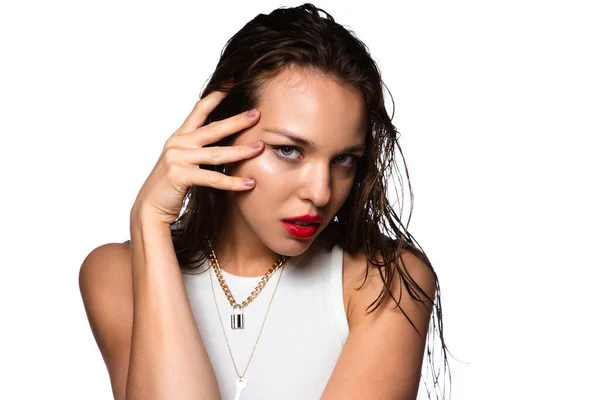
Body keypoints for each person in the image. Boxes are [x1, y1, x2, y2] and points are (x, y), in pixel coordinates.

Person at [79, 3, 450, 399]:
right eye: (289, 150)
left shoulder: (384, 281)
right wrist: (149, 221)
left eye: (343, 159)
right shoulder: (116, 274)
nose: (321, 192)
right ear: (221, 134)